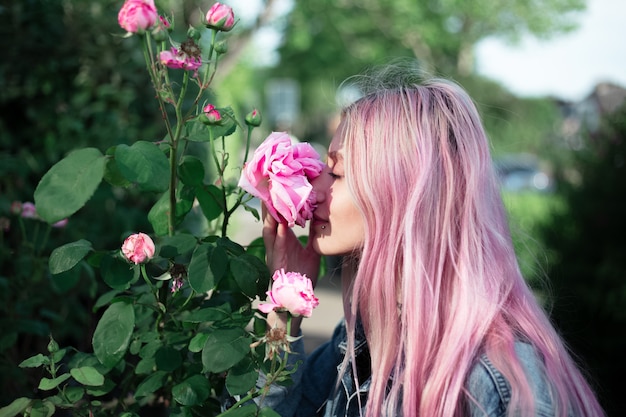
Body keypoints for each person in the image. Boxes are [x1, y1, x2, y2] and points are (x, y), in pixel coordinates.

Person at [259, 66, 605, 417]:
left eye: (336, 173)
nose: (313, 191)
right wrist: (285, 308)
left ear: (405, 194)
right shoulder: (357, 342)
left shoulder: (498, 386)